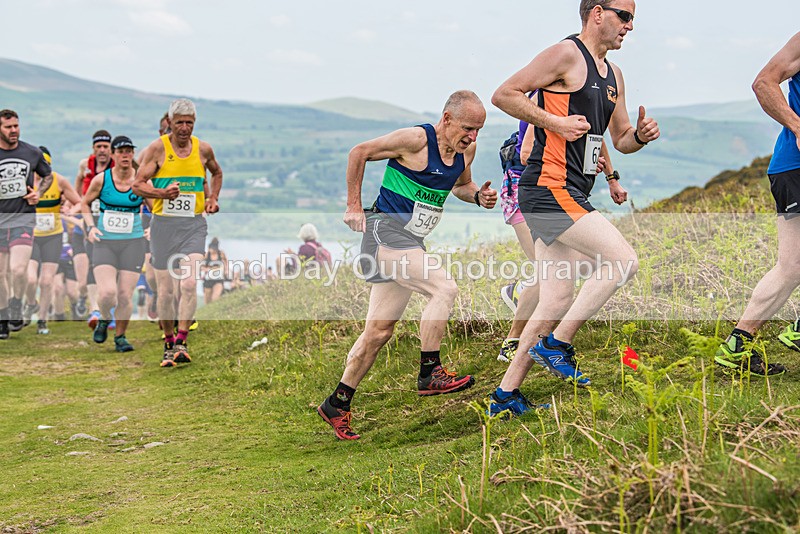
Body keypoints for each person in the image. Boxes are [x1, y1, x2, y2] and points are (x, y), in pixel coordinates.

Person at [488, 0, 659, 415]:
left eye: (634, 19)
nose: (630, 27)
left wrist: (640, 135)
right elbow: (503, 94)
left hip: (572, 188)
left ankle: (505, 396)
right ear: (597, 13)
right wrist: (555, 123)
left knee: (555, 298)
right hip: (548, 186)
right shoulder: (566, 54)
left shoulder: (614, 74)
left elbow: (619, 140)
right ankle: (558, 344)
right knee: (622, 261)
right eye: (625, 16)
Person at [317, 90, 497, 440]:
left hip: (410, 241)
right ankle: (430, 372)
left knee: (379, 332)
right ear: (446, 119)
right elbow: (359, 152)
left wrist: (477, 195)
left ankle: (337, 403)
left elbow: (460, 185)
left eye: (478, 130)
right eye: (467, 128)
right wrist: (353, 205)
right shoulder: (415, 140)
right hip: (385, 231)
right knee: (444, 288)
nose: (472, 137)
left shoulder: (465, 151)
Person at [497, 117, 626, 362]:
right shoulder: (544, 96)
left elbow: (595, 134)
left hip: (560, 193)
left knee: (587, 260)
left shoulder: (588, 94)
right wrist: (571, 160)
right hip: (529, 190)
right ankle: (512, 341)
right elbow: (526, 155)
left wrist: (611, 177)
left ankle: (521, 291)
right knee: (551, 273)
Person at [713, 34, 800, 376]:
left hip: (788, 169)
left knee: (791, 266)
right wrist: (796, 125)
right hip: (795, 165)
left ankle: (738, 345)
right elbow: (764, 82)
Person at [133, 98, 223, 368]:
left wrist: (213, 198)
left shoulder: (203, 149)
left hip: (193, 225)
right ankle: (168, 342)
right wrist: (162, 193)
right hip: (163, 226)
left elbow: (217, 173)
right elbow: (138, 185)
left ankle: (182, 342)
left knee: (187, 283)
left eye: (190, 123)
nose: (184, 128)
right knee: (166, 292)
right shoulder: (157, 150)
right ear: (169, 123)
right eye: (180, 122)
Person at [81, 136, 145, 352]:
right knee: (108, 293)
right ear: (113, 155)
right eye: (121, 151)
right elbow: (84, 203)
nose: (125, 155)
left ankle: (120, 337)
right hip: (105, 242)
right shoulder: (101, 179)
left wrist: (151, 228)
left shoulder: (142, 181)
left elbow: (157, 207)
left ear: (133, 154)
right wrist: (91, 227)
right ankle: (104, 318)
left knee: (126, 295)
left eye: (129, 151)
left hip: (133, 242)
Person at [0, 109, 52, 339]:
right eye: (8, 127)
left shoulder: (31, 152)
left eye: (16, 126)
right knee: (1, 273)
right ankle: (3, 317)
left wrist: (38, 193)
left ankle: (15, 303)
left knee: (18, 269)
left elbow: (48, 176)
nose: (14, 131)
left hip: (23, 218)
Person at [23, 147, 82, 334]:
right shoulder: (25, 181)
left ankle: (42, 320)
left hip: (52, 237)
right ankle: (31, 303)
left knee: (47, 281)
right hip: (31, 236)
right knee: (31, 279)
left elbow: (79, 202)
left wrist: (70, 212)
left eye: (45, 166)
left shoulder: (59, 181)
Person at [75, 130, 115, 327]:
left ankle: (110, 307)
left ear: (111, 149)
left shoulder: (118, 165)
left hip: (114, 218)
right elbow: (78, 188)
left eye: (105, 147)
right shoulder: (85, 165)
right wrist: (79, 205)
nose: (102, 151)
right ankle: (94, 310)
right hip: (91, 216)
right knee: (93, 259)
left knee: (113, 262)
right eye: (98, 147)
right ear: (93, 148)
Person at [201, 237, 227, 305]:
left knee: (215, 298)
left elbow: (225, 264)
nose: (212, 250)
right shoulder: (206, 255)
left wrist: (224, 271)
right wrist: (208, 269)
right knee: (207, 301)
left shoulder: (221, 254)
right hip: (208, 279)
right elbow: (201, 266)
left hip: (218, 278)